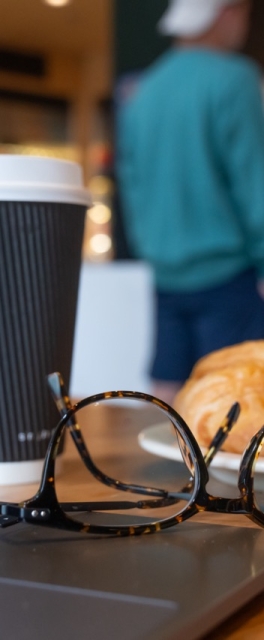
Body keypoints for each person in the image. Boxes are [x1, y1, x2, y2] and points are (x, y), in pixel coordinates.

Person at [116, 0, 264, 405]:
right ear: (228, 14)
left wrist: (153, 248)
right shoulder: (235, 79)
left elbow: (132, 185)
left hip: (165, 275)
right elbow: (255, 181)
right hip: (229, 275)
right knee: (240, 400)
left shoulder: (141, 91)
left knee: (167, 399)